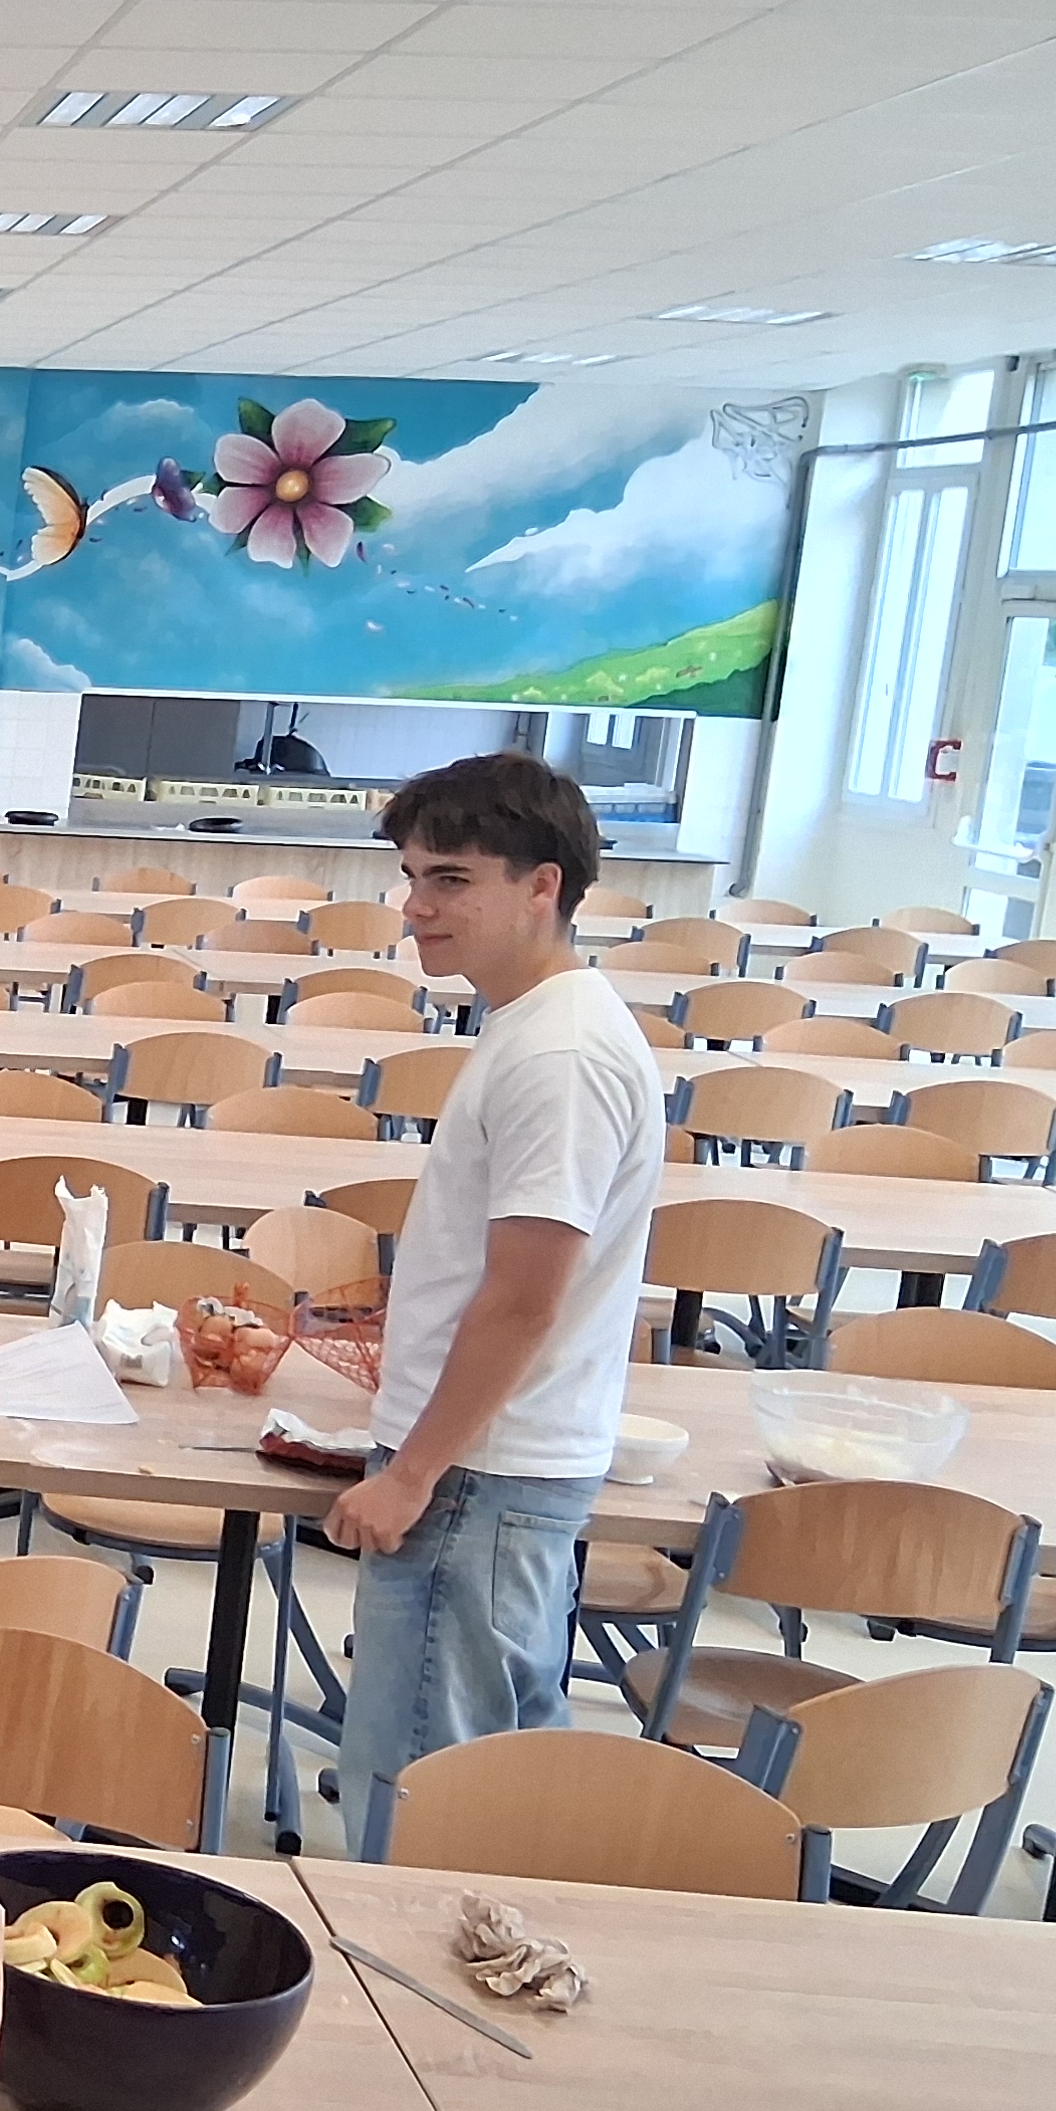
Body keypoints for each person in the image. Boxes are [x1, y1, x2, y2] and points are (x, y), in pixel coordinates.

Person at [322, 751, 662, 1854]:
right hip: (490, 1467)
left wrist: (413, 1473)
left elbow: (525, 1298)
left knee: (423, 1801)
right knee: (485, 1777)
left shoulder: (560, 1053)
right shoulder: (536, 1022)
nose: (416, 907)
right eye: (412, 877)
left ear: (542, 886)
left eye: (452, 880)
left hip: (478, 1477)